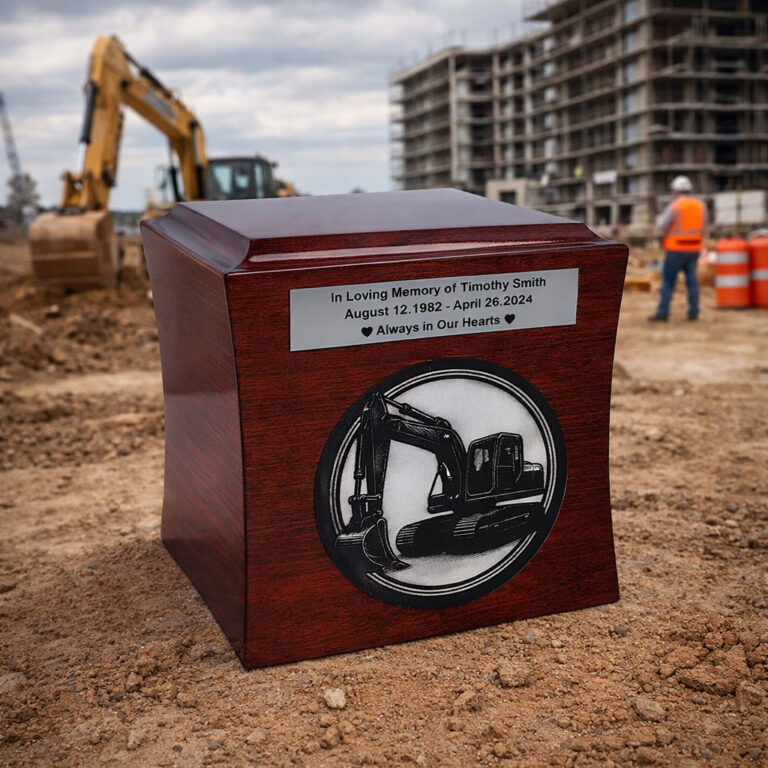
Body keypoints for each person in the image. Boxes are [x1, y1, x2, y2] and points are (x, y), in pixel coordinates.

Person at [649, 176, 707, 322]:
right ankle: (693, 313)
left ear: (675, 191)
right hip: (694, 249)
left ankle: (663, 313)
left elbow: (662, 226)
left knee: (668, 282)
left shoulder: (674, 206)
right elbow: (704, 226)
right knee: (692, 282)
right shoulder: (700, 206)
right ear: (689, 190)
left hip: (675, 249)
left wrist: (658, 219)